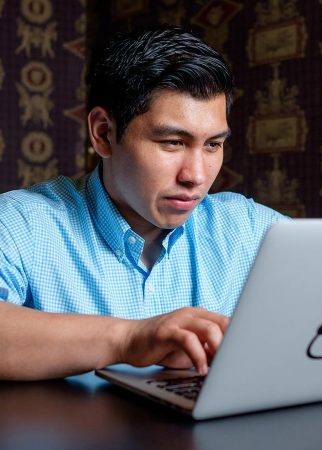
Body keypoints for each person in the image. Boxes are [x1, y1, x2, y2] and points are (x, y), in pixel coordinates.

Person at [0, 26, 287, 381]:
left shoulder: (251, 228)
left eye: (213, 145)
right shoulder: (21, 223)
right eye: (172, 142)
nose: (196, 176)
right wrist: (130, 339)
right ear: (104, 133)